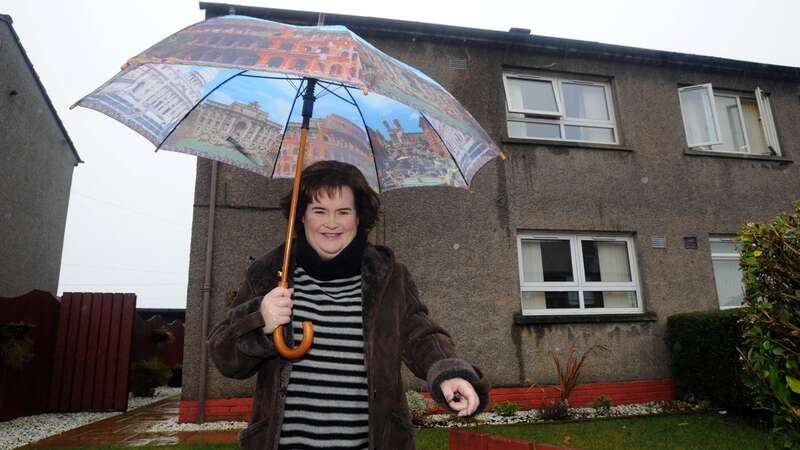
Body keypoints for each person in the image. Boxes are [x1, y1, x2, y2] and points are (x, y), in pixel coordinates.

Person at [208, 160, 490, 450]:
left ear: (358, 217)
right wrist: (260, 321)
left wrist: (449, 373)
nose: (331, 223)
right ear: (301, 216)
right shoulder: (268, 275)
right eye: (319, 211)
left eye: (343, 212)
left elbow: (421, 335)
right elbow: (224, 358)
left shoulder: (388, 277)